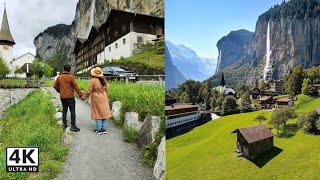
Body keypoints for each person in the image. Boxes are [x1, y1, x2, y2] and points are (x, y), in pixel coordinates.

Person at [81, 67, 112, 135]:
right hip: (104, 96)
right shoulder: (104, 80)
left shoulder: (93, 80)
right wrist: (107, 97)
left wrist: (83, 97)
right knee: (104, 112)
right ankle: (103, 129)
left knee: (97, 112)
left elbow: (89, 91)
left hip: (96, 97)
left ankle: (98, 129)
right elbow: (107, 90)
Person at [54, 65, 83, 132]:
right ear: (69, 70)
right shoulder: (71, 77)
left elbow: (55, 86)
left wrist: (60, 91)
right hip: (70, 97)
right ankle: (73, 126)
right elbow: (76, 86)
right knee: (72, 111)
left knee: (64, 110)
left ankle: (64, 125)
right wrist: (80, 95)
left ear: (63, 69)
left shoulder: (59, 77)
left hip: (63, 97)